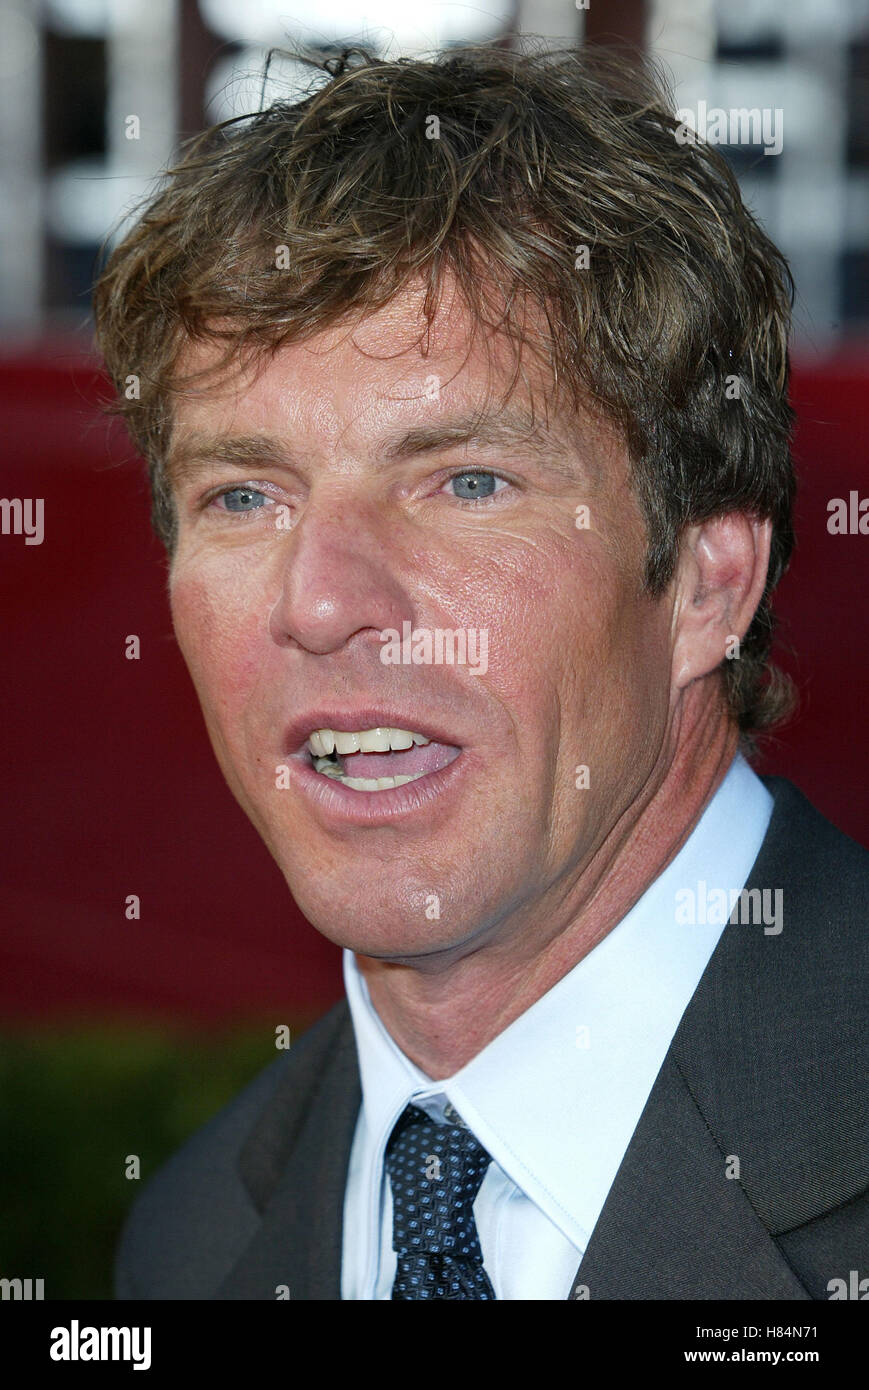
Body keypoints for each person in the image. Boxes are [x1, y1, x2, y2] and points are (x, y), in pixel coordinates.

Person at [92, 44, 867, 1300]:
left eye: (464, 482)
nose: (321, 599)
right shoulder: (191, 1240)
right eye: (243, 494)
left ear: (704, 585)